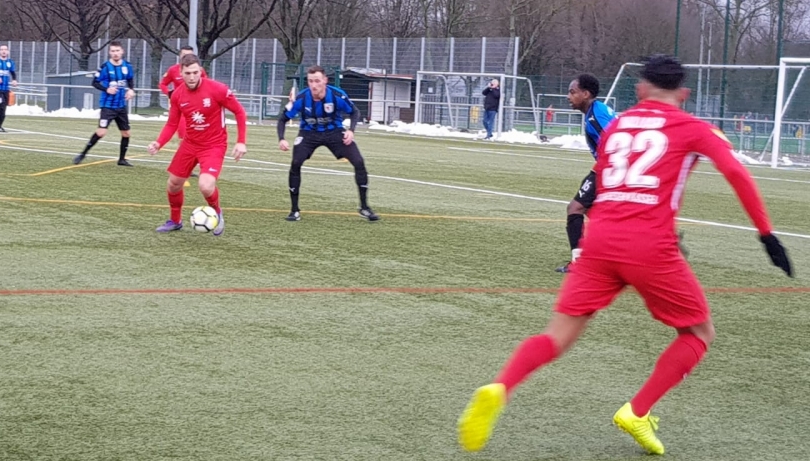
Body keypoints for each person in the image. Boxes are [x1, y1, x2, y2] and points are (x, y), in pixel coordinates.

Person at [457, 54, 793, 456]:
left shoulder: (618, 126)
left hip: (599, 241)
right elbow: (736, 172)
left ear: (641, 89)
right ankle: (637, 411)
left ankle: (501, 386)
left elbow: (606, 180)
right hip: (650, 245)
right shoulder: (693, 127)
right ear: (683, 94)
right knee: (699, 333)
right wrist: (767, 235)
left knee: (556, 336)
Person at [148, 54, 247, 236]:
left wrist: (241, 141)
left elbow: (239, 112)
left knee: (205, 185)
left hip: (214, 145)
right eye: (188, 73)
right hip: (190, 144)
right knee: (173, 184)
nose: (192, 77)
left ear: (201, 71)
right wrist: (158, 143)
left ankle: (217, 213)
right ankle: (175, 221)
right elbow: (172, 123)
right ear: (181, 73)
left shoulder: (218, 89)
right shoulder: (177, 95)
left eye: (195, 72)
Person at [277, 65, 378, 222]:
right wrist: (282, 139)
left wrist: (351, 130)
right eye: (310, 81)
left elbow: (354, 112)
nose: (314, 85)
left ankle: (364, 207)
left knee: (359, 161)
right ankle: (294, 210)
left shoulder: (337, 95)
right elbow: (282, 119)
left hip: (334, 132)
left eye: (317, 81)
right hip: (308, 133)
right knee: (296, 162)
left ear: (325, 81)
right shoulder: (301, 98)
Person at [555, 74, 616, 273]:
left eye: (572, 92)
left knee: (575, 208)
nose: (568, 96)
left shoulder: (595, 116)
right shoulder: (595, 111)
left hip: (611, 169)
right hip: (607, 168)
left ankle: (580, 262)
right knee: (596, 212)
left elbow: (616, 143)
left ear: (586, 94)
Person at [72, 41, 135, 166]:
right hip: (108, 106)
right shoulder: (105, 67)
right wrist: (107, 89)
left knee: (126, 133)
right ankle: (83, 154)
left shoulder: (127, 66)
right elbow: (94, 83)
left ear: (122, 51)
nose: (115, 53)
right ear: (109, 52)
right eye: (113, 51)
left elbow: (130, 80)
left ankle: (122, 159)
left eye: (117, 50)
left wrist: (131, 90)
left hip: (121, 106)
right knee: (101, 132)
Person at [160, 45, 207, 140]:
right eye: (184, 54)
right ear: (180, 56)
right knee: (182, 133)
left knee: (200, 130)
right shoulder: (173, 70)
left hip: (196, 103)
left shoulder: (199, 70)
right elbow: (162, 84)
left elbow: (206, 84)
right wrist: (170, 94)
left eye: (190, 55)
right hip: (181, 104)